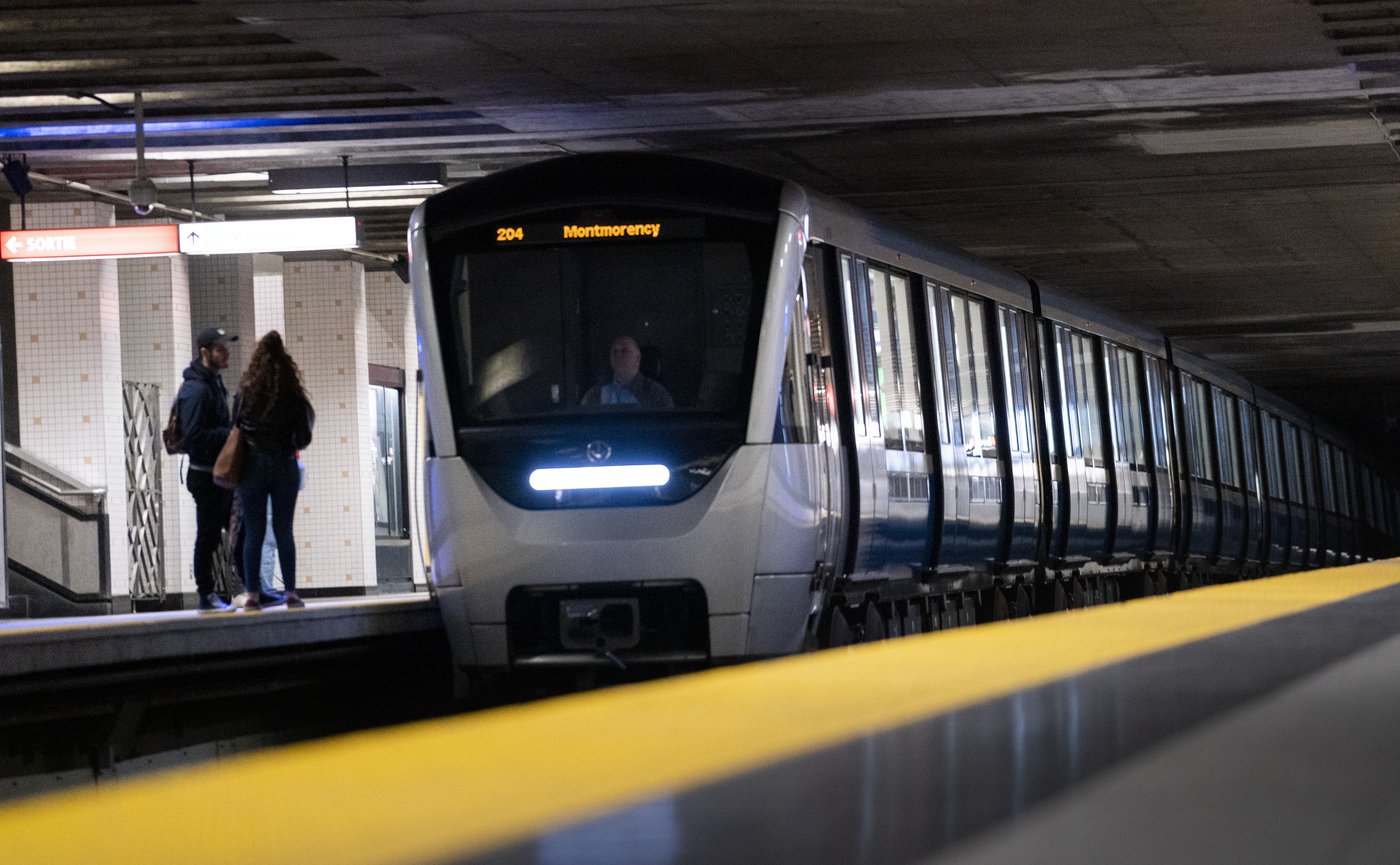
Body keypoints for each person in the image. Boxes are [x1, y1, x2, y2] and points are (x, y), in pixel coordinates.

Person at [231, 331, 314, 611]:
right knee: (283, 531)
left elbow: (236, 426)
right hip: (283, 465)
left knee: (253, 531)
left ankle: (252, 595)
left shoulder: (245, 392)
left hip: (252, 466)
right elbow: (304, 436)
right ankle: (291, 592)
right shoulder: (292, 392)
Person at [178, 327, 239, 613]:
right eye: (220, 348)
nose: (226, 352)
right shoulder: (197, 389)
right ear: (205, 352)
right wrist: (229, 434)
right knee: (209, 534)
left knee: (239, 528)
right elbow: (193, 435)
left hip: (218, 474)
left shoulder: (214, 382)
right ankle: (206, 593)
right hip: (204, 474)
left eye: (226, 347)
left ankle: (249, 588)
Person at [580, 335, 674, 409]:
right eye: (615, 351)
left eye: (624, 351)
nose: (618, 355)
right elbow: (583, 427)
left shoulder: (656, 393)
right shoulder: (595, 394)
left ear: (638, 358)